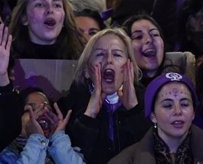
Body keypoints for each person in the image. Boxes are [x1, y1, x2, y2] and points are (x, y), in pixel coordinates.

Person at [58, 28, 149, 164]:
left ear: (129, 67)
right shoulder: (69, 105)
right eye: (100, 54)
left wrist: (133, 111)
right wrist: (89, 116)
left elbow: (151, 151)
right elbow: (70, 156)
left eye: (117, 55)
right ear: (87, 71)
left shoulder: (148, 100)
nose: (109, 60)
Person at [110, 72, 203, 163]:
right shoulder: (125, 160)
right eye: (168, 105)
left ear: (193, 113)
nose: (177, 111)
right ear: (153, 116)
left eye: (184, 104)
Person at [0, 87, 83, 163]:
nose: (40, 114)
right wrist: (36, 139)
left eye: (46, 110)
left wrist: (58, 138)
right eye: (31, 110)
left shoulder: (66, 150)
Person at [8, 0, 84, 59]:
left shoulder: (81, 58)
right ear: (24, 18)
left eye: (57, 5)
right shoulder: (8, 57)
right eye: (40, 5)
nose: (50, 10)